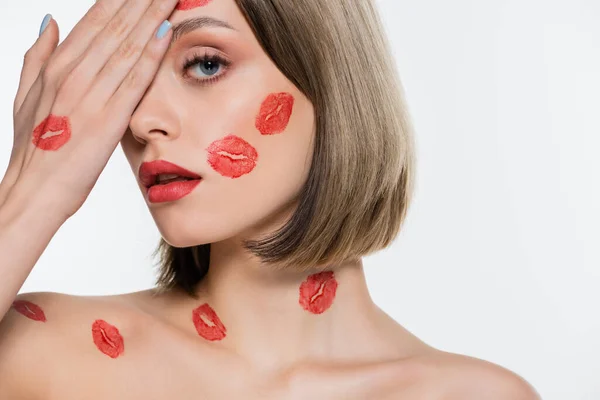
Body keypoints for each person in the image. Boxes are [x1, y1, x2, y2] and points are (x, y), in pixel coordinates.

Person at [0, 0, 541, 398]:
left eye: (205, 64)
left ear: (332, 78)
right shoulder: (48, 354)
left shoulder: (475, 394)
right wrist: (31, 194)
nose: (142, 121)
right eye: (131, 82)